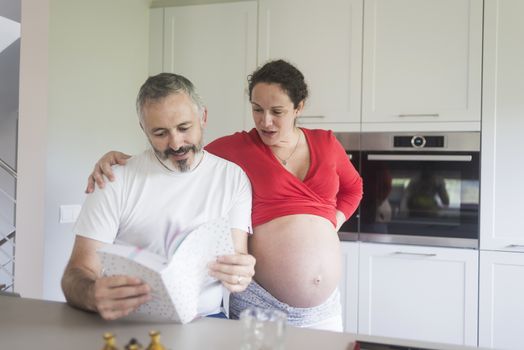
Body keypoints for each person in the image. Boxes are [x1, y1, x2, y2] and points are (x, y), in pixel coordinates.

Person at [86, 60, 363, 330]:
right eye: (257, 109)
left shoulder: (326, 143)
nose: (265, 121)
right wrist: (120, 162)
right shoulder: (236, 149)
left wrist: (330, 223)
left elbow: (354, 188)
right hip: (260, 303)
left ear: (298, 107)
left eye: (277, 111)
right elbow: (180, 153)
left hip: (324, 309)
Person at [61, 73, 256, 321]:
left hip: (207, 318)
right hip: (131, 319)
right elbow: (75, 274)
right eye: (160, 133)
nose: (175, 143)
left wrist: (239, 273)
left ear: (203, 117)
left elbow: (237, 257)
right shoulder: (113, 179)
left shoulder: (233, 179)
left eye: (184, 128)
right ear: (144, 129)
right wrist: (91, 294)